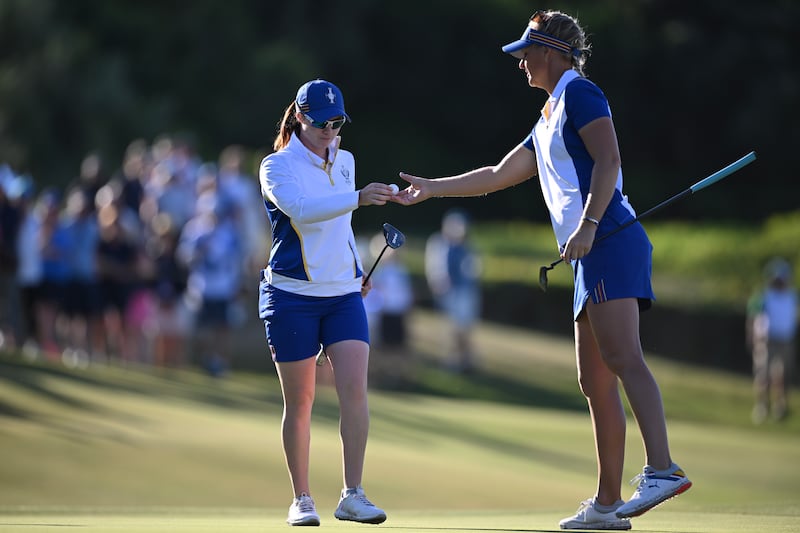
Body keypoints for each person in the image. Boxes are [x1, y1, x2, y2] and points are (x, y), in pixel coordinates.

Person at [391, 10, 691, 530]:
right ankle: (605, 505)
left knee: (621, 356)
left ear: (552, 52)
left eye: (526, 53)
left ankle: (662, 468)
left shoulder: (580, 93)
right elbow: (497, 174)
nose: (521, 62)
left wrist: (592, 223)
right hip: (589, 249)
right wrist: (432, 189)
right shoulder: (549, 114)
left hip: (609, 240)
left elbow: (609, 161)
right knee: (593, 380)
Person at [258, 79, 391, 526]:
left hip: (342, 296)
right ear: (299, 117)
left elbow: (340, 229)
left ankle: (352, 494)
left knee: (355, 390)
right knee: (301, 401)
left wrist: (353, 270)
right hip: (291, 296)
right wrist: (357, 197)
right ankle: (302, 499)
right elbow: (302, 211)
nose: (330, 132)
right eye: (321, 124)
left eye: (337, 124)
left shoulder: (346, 159)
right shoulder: (276, 166)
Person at [425, 208, 482, 373]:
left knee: (465, 328)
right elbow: (435, 267)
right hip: (450, 292)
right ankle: (452, 361)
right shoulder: (439, 242)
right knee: (452, 328)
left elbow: (473, 269)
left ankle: (466, 361)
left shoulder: (467, 246)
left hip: (465, 291)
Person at [746, 258, 797, 423]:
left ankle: (780, 408)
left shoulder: (792, 297)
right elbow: (754, 318)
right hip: (767, 340)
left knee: (781, 375)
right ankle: (761, 406)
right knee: (763, 375)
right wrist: (752, 337)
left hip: (786, 340)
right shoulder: (764, 296)